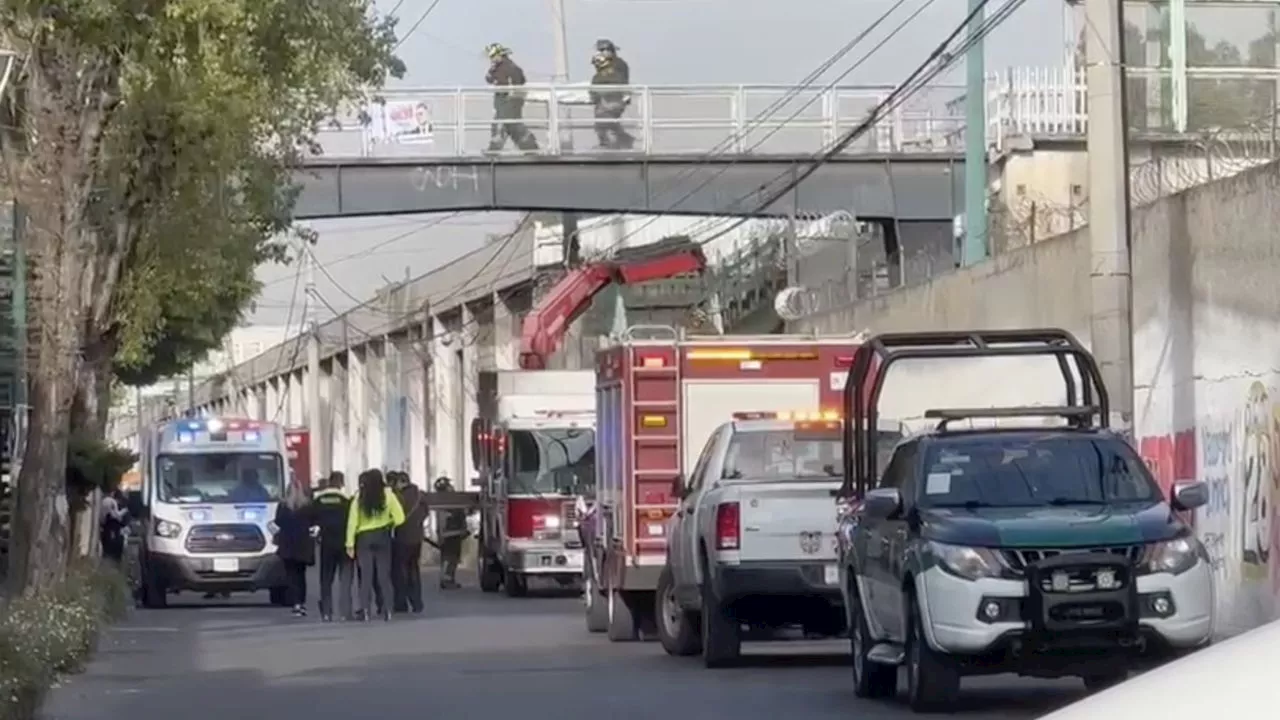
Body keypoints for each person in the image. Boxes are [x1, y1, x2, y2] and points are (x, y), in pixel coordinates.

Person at [346, 468, 404, 621]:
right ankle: (388, 610)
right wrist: (388, 523)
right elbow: (400, 518)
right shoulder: (389, 496)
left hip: (364, 538)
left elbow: (352, 522)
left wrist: (350, 544)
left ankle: (365, 610)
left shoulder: (359, 497)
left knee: (366, 576)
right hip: (383, 536)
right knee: (384, 575)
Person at [313, 472, 354, 622]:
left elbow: (312, 519)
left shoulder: (319, 500)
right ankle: (345, 612)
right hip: (344, 543)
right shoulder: (346, 501)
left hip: (326, 544)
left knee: (326, 579)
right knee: (345, 578)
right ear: (341, 483)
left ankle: (326, 612)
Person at [271, 483, 316, 617]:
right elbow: (313, 523)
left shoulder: (283, 506)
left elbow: (277, 522)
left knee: (291, 576)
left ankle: (295, 603)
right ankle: (300, 603)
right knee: (301, 575)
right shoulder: (307, 506)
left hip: (287, 545)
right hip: (303, 545)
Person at [483, 43, 538, 152]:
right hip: (502, 103)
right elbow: (489, 79)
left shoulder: (511, 68)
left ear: (500, 54)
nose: (492, 59)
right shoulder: (497, 68)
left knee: (506, 126)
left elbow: (518, 84)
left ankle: (494, 151)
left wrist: (513, 100)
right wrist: (492, 71)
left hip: (509, 102)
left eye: (493, 56)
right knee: (512, 127)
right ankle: (531, 149)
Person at [391, 471, 428, 614]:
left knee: (400, 571)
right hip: (417, 538)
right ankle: (417, 602)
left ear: (400, 482)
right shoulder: (420, 495)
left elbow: (394, 516)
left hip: (402, 538)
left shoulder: (398, 497)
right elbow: (425, 513)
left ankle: (401, 603)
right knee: (414, 570)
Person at [589, 39, 634, 150]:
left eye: (605, 50)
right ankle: (616, 141)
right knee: (602, 122)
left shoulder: (618, 64)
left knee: (604, 121)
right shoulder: (602, 70)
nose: (602, 53)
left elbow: (618, 80)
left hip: (614, 98)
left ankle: (612, 143)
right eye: (601, 50)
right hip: (603, 100)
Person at [434, 477, 468, 589]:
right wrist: (441, 535)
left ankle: (448, 578)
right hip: (450, 534)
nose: (451, 487)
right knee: (450, 558)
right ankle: (446, 579)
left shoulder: (445, 500)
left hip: (453, 533)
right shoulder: (445, 501)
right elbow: (442, 520)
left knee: (451, 558)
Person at [100, 489, 129, 565]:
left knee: (106, 538)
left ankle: (106, 554)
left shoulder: (104, 500)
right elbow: (116, 515)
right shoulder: (113, 502)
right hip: (109, 522)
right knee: (114, 538)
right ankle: (113, 557)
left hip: (103, 523)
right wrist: (124, 511)